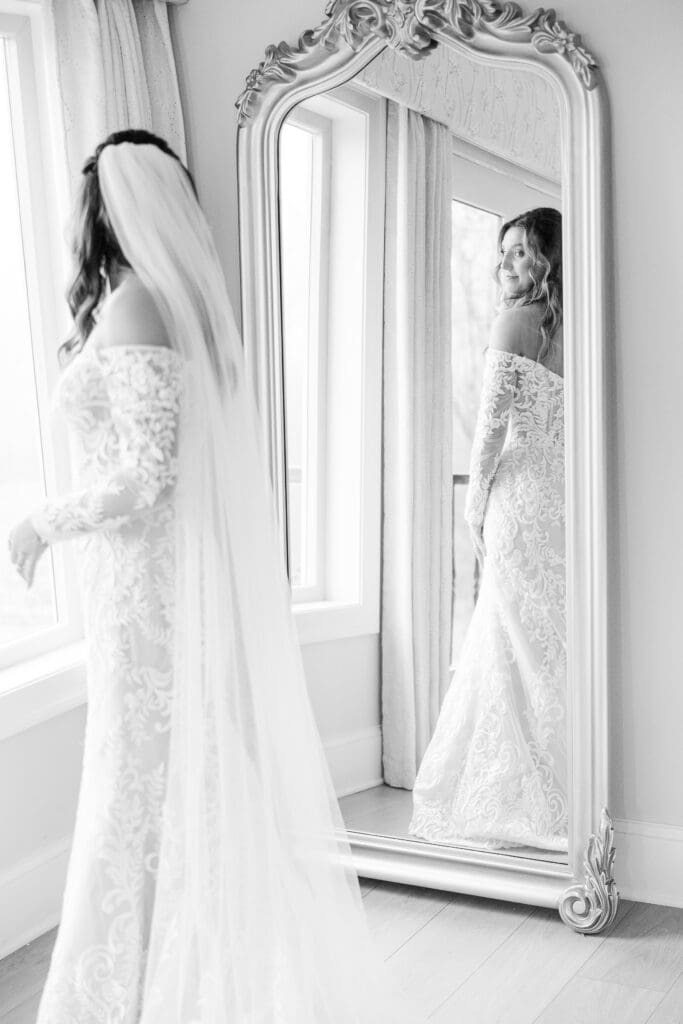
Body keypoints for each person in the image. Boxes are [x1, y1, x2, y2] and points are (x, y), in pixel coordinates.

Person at [8, 130, 406, 1023]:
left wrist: (42, 519)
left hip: (144, 591)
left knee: (133, 784)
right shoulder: (157, 299)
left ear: (111, 206)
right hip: (137, 591)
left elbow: (146, 479)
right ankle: (148, 982)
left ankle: (118, 995)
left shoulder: (142, 302)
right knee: (145, 782)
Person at [409, 207, 567, 853]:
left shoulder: (513, 322)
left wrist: (473, 508)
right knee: (545, 641)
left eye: (521, 253)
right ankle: (562, 783)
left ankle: (514, 798)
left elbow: (487, 431)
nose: (504, 264)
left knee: (510, 640)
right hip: (561, 503)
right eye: (502, 253)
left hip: (516, 500)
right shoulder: (576, 328)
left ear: (549, 261)